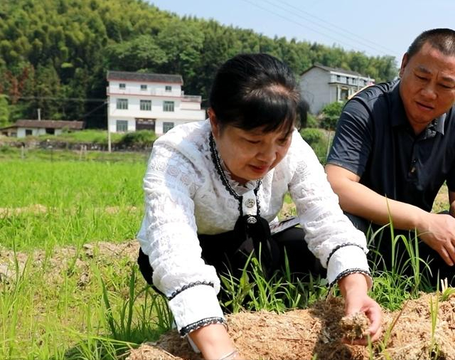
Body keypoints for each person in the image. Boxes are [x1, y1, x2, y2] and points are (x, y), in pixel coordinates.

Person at [136, 53, 382, 360]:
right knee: (209, 315)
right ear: (215, 122)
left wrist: (357, 294)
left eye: (282, 139)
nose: (269, 156)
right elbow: (176, 255)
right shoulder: (178, 156)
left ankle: (269, 295)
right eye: (253, 141)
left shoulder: (295, 150)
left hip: (253, 242)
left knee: (308, 248)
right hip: (199, 248)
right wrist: (220, 349)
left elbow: (327, 219)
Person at [326, 28, 455, 288]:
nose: (429, 93)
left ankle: (417, 284)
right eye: (421, 77)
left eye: (445, 85)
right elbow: (337, 184)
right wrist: (422, 220)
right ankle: (354, 282)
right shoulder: (366, 109)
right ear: (404, 65)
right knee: (342, 229)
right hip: (365, 232)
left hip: (417, 242)